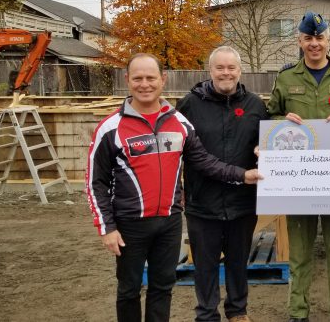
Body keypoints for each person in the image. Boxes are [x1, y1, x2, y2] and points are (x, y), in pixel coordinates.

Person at [86, 53, 263, 322]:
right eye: (138, 78)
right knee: (129, 289)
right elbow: (95, 181)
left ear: (163, 80)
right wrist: (107, 227)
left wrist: (243, 175)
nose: (145, 84)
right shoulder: (110, 127)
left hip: (169, 222)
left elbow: (204, 161)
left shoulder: (178, 122)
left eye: (151, 78)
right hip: (130, 222)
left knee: (162, 287)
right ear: (127, 81)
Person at [267, 11, 330, 322]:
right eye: (308, 38)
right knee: (299, 254)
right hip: (299, 182)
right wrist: (280, 122)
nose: (315, 44)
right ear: (299, 41)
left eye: (320, 38)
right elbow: (269, 117)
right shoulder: (285, 78)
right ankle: (298, 314)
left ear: (328, 40)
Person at [176, 46, 268, 322]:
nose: (226, 73)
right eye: (220, 68)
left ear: (240, 71)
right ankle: (206, 314)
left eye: (231, 68)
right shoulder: (189, 105)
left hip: (243, 201)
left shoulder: (255, 105)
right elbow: (177, 151)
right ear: (210, 70)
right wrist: (178, 189)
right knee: (205, 264)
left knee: (238, 261)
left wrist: (262, 151)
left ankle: (237, 311)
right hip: (202, 201)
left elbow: (265, 143)